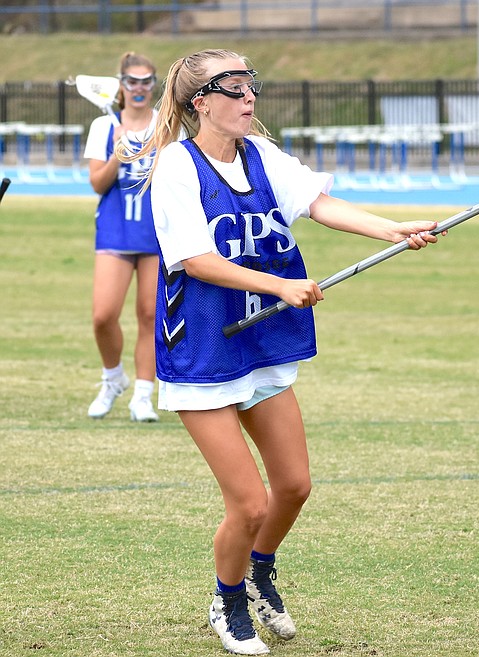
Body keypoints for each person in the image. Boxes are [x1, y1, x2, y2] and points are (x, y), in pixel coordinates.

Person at [121, 49, 440, 655]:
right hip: (205, 346)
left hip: (263, 342)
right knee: (248, 501)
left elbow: (318, 204)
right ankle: (228, 600)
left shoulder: (262, 156)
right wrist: (279, 284)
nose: (249, 100)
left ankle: (260, 569)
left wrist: (391, 228)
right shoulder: (175, 168)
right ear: (200, 103)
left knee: (293, 486)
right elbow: (194, 259)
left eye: (251, 88)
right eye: (234, 90)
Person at [84, 52, 160, 422]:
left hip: (156, 232)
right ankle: (113, 378)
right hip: (115, 228)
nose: (140, 88)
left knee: (150, 314)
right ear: (121, 85)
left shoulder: (167, 125)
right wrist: (118, 153)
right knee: (103, 315)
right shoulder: (104, 125)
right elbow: (98, 183)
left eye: (146, 81)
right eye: (132, 81)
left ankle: (143, 395)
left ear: (153, 84)